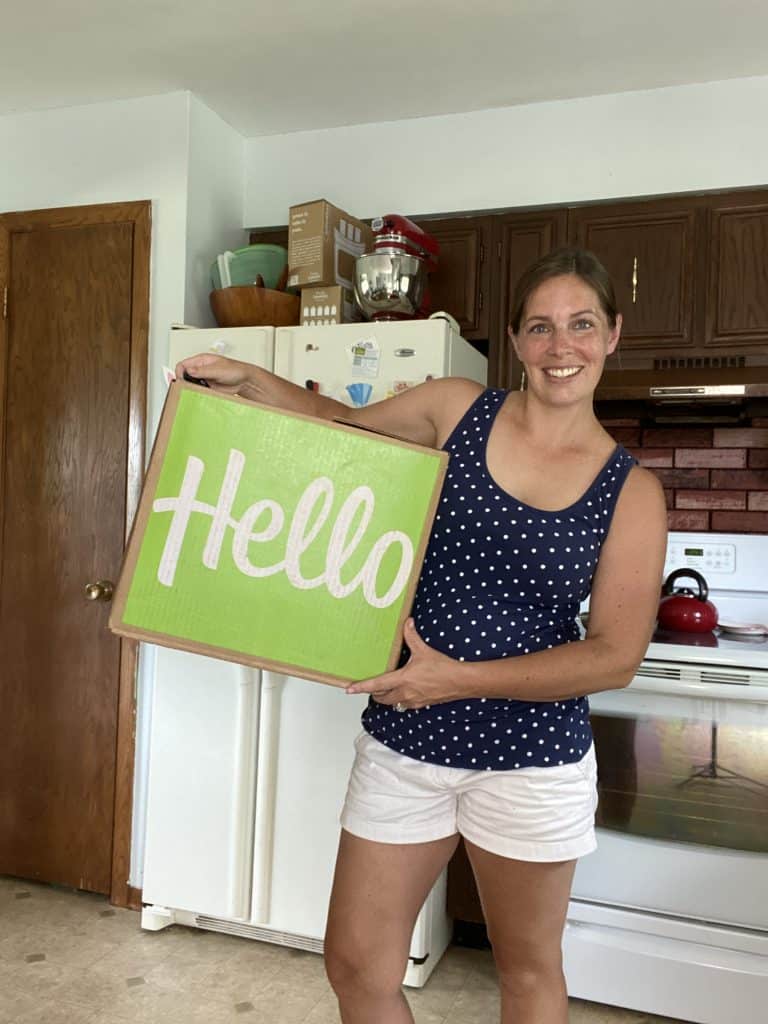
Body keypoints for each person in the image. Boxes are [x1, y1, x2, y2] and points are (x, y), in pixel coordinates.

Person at [176, 246, 668, 1024]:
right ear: (514, 341)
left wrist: (457, 677)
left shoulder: (630, 492)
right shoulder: (455, 409)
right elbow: (341, 431)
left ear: (611, 335)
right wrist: (255, 382)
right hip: (408, 742)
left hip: (530, 762)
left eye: (580, 325)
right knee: (356, 965)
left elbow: (614, 656)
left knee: (528, 973)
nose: (559, 346)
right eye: (540, 327)